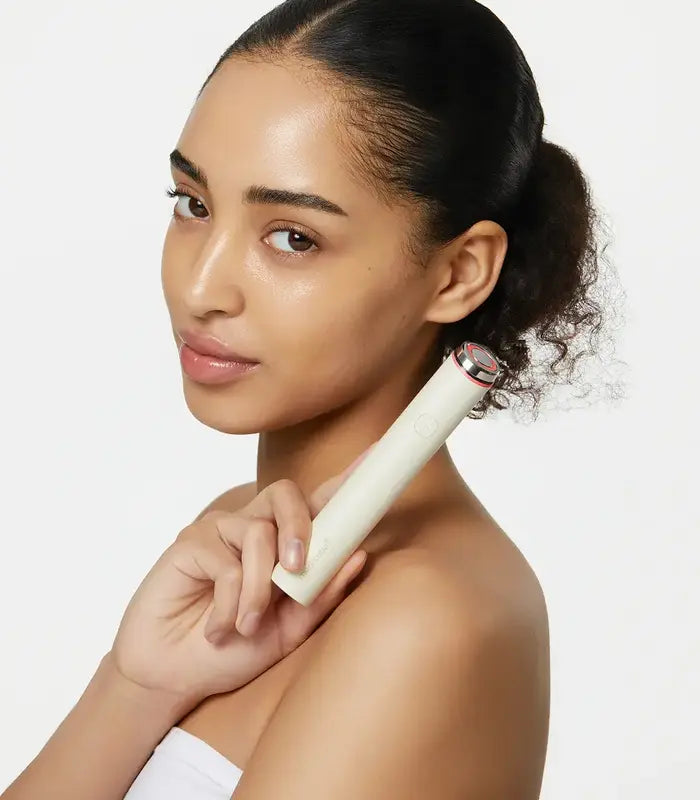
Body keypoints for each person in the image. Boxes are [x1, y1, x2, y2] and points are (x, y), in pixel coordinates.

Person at [3, 0, 616, 798]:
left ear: (459, 272)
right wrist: (136, 686)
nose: (199, 288)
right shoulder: (245, 539)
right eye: (193, 204)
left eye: (293, 236)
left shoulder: (428, 622)